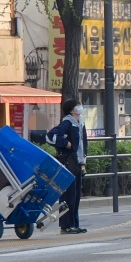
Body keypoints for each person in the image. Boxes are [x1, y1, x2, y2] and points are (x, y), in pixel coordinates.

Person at [46, 99, 88, 235]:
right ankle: (66, 225)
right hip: (68, 162)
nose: (80, 107)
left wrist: (83, 162)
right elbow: (50, 136)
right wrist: (65, 143)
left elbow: (83, 145)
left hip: (77, 163)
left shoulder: (80, 123)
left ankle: (74, 224)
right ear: (72, 110)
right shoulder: (67, 123)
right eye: (77, 105)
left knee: (75, 196)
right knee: (68, 195)